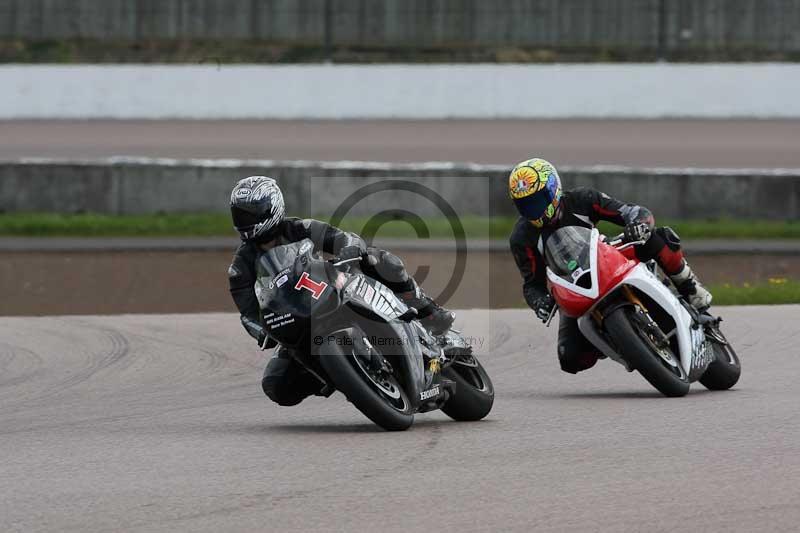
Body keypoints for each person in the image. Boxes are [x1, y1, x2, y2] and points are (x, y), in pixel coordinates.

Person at [228, 176, 455, 406]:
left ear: (272, 208)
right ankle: (339, 375)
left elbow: (343, 238)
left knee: (380, 260)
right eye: (240, 215)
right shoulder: (240, 267)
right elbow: (248, 313)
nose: (244, 221)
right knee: (275, 385)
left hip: (330, 290)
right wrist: (262, 331)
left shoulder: (300, 228)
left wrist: (349, 250)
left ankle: (428, 311)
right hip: (294, 321)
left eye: (250, 214)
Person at [508, 158, 712, 375]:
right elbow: (532, 284)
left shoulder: (582, 199)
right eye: (525, 205)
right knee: (569, 357)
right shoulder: (521, 238)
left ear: (553, 189)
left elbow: (632, 211)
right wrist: (539, 302)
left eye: (537, 200)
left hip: (607, 256)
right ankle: (620, 342)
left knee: (657, 237)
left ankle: (691, 289)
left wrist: (638, 225)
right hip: (573, 286)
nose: (533, 210)